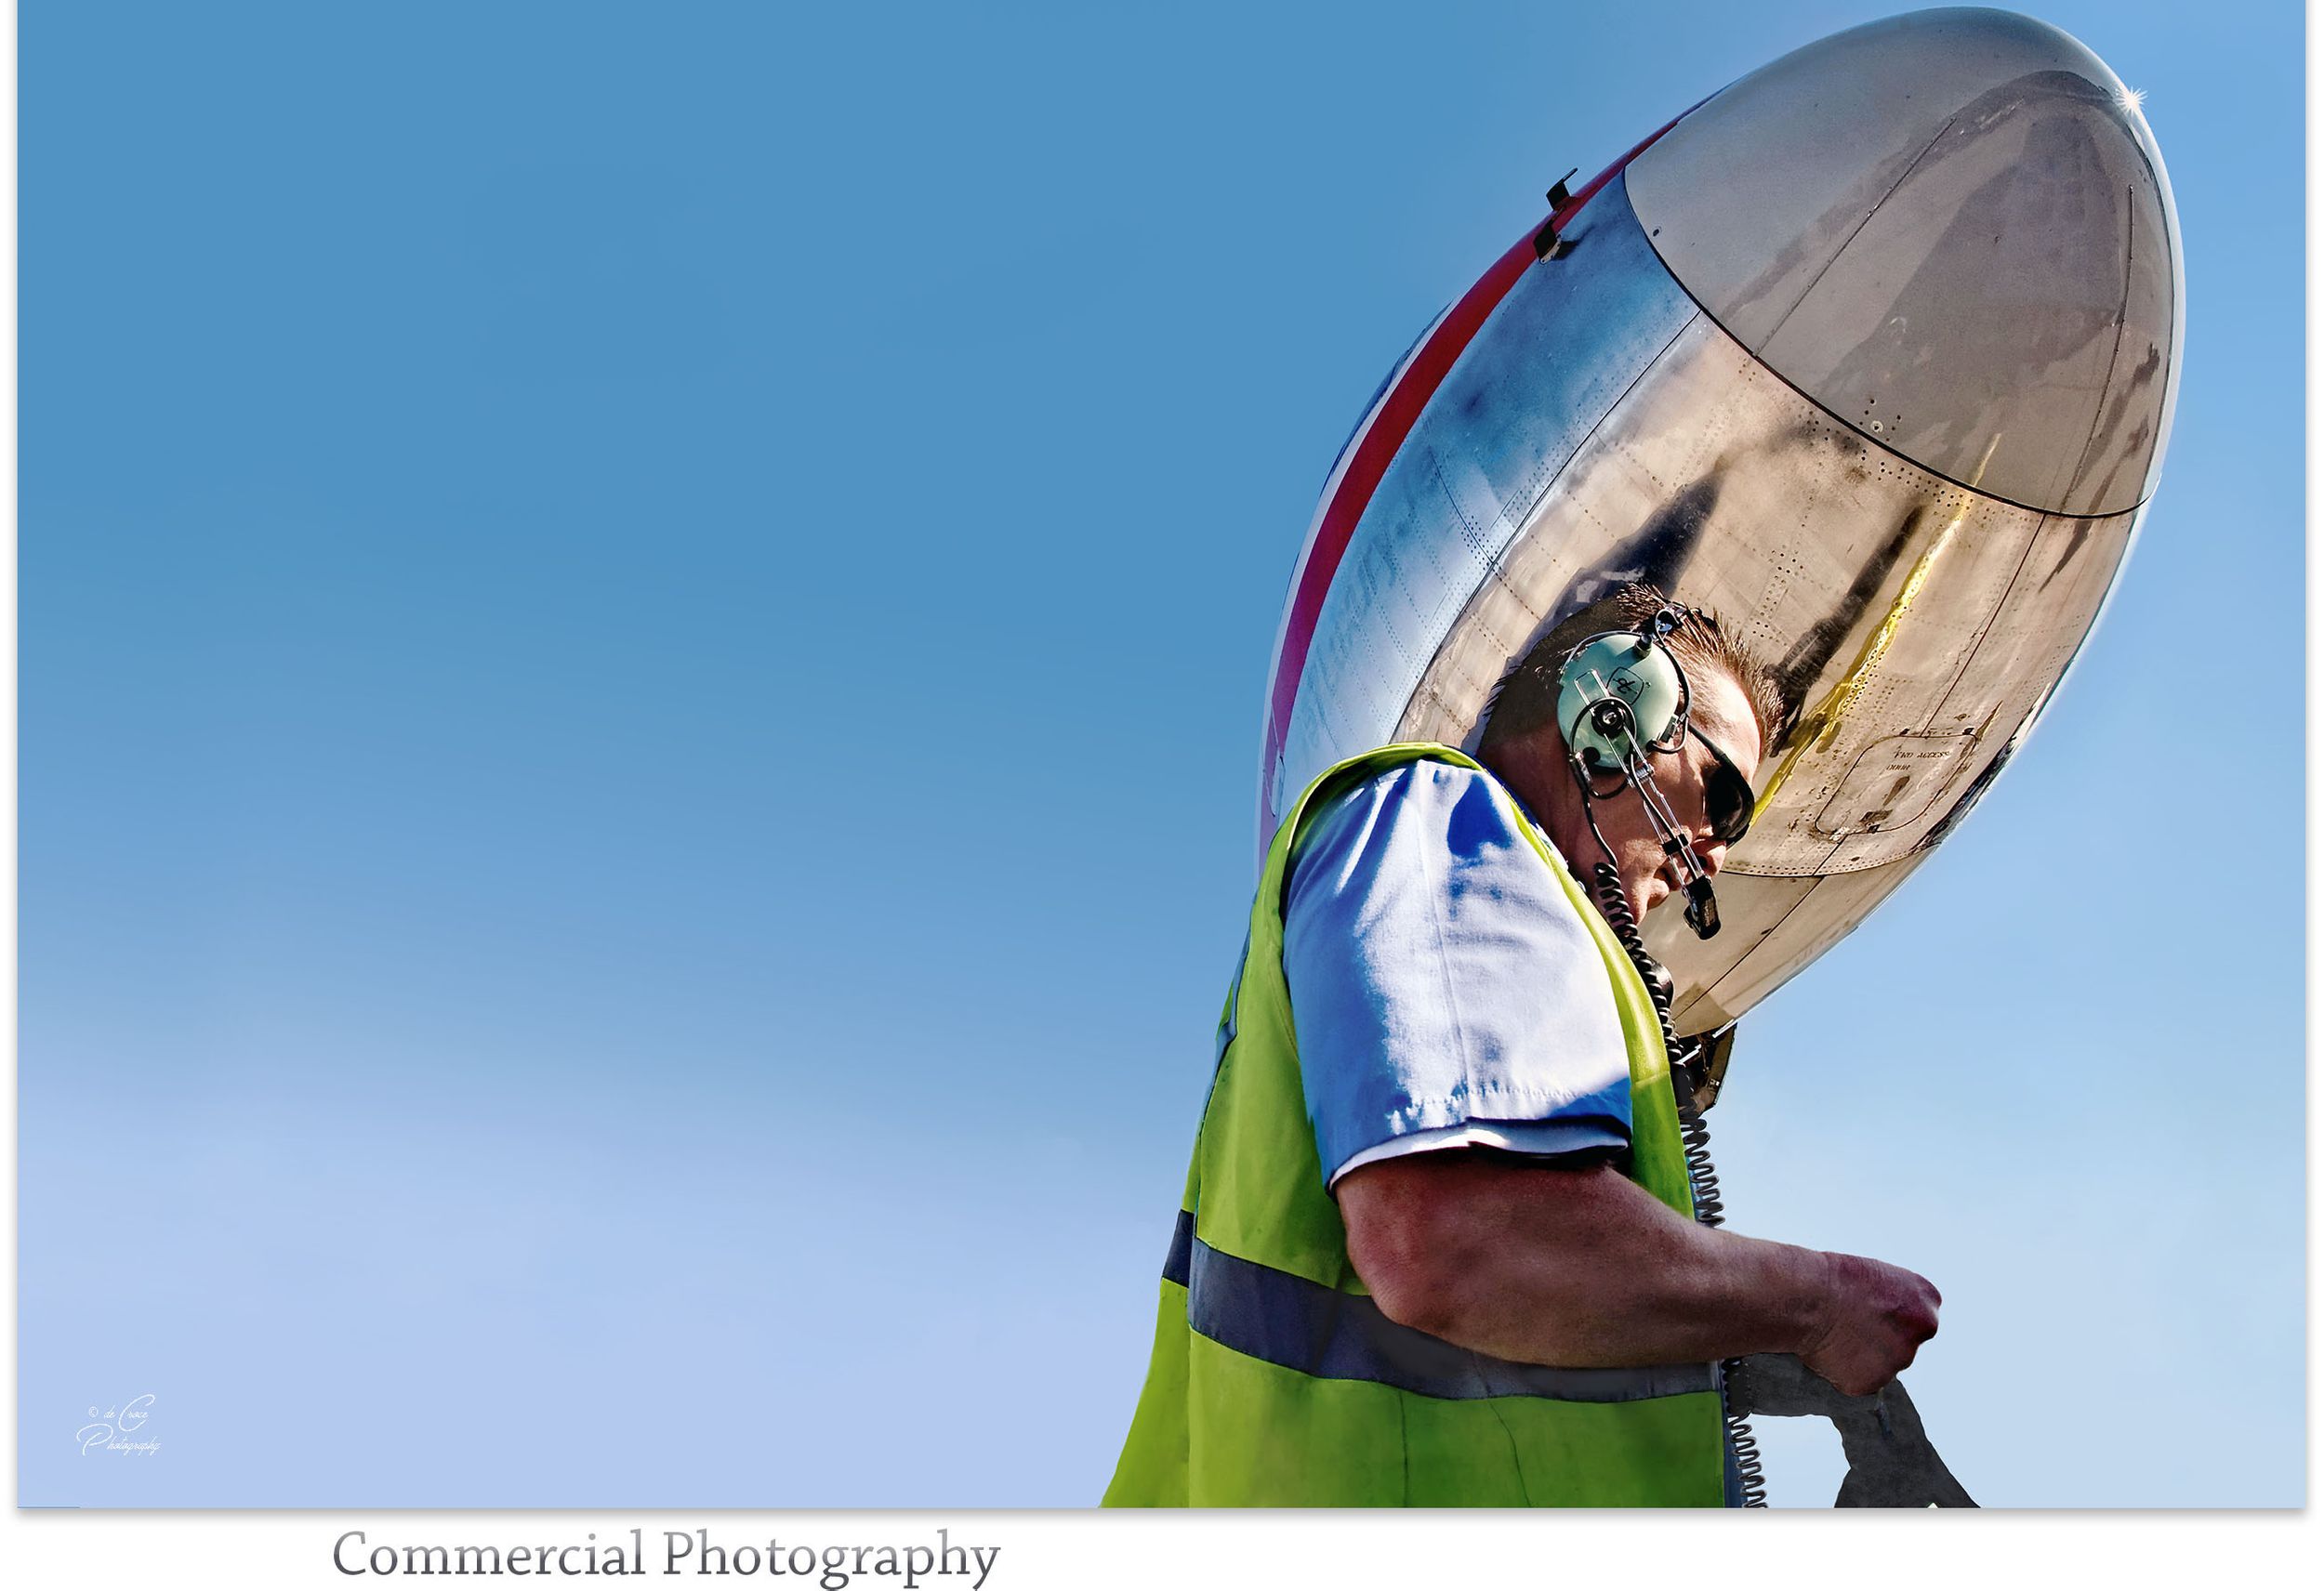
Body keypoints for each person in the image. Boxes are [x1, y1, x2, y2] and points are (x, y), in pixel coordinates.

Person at [1103, 582, 1942, 1507]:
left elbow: (1490, 1326)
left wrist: (1808, 1374)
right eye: (1725, 796)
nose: (1713, 853)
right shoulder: (1440, 822)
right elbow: (1455, 1240)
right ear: (1611, 714)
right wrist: (1816, 1299)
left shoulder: (1489, 906)